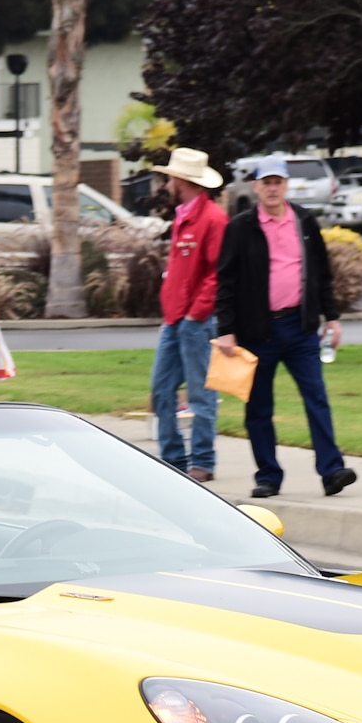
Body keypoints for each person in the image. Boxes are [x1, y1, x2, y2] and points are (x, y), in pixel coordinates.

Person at [213, 155, 357, 498]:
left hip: (301, 328)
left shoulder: (304, 221)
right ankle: (268, 476)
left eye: (278, 182)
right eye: (267, 182)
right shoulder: (242, 227)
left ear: (286, 185)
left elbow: (321, 274)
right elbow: (226, 282)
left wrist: (332, 317)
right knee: (259, 407)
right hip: (256, 332)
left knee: (316, 398)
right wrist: (226, 328)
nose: (273, 188)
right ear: (256, 187)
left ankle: (332, 471)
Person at [150, 146, 229, 481]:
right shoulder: (185, 215)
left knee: (201, 392)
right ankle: (173, 459)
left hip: (194, 321)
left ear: (181, 179)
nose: (167, 180)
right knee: (160, 390)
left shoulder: (212, 219)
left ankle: (202, 461)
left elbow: (217, 272)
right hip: (176, 319)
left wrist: (197, 313)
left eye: (170, 175)